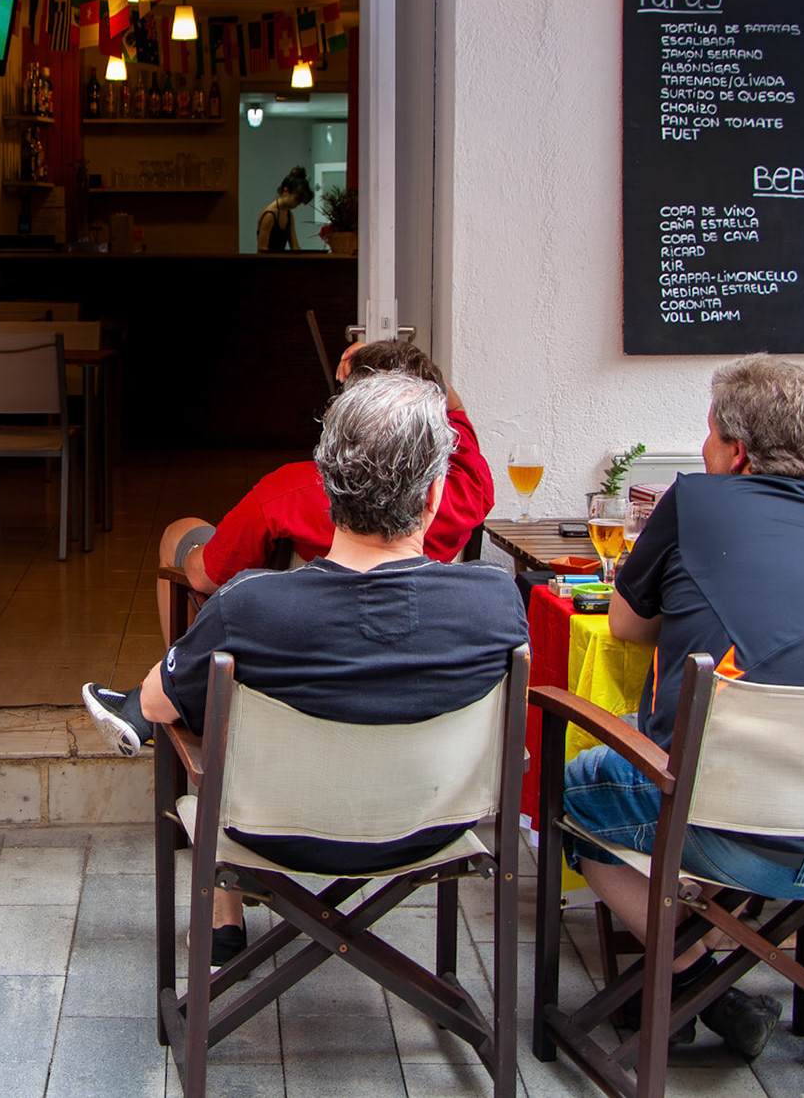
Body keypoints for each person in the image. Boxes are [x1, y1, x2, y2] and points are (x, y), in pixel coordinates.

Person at [83, 371, 527, 963]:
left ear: (327, 485)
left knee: (201, 717)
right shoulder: (496, 601)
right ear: (432, 496)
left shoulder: (249, 605)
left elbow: (162, 707)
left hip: (274, 833)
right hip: (435, 831)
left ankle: (223, 919)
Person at [562, 353, 804, 1059]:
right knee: (706, 763)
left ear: (738, 451)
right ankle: (709, 974)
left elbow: (627, 624)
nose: (703, 448)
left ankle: (700, 981)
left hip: (743, 825)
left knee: (572, 791)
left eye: (711, 434)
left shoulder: (693, 500)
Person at [147, 339, 495, 641]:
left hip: (296, 642)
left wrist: (193, 554)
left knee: (179, 534)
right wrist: (410, 368)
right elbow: (454, 408)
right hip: (410, 639)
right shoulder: (465, 483)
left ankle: (186, 690)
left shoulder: (291, 491)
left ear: (347, 413)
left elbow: (205, 577)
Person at [255, 166, 313, 252]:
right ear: (286, 191)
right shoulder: (269, 215)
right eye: (297, 199)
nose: (297, 204)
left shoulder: (289, 215)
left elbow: (295, 247)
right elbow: (262, 250)